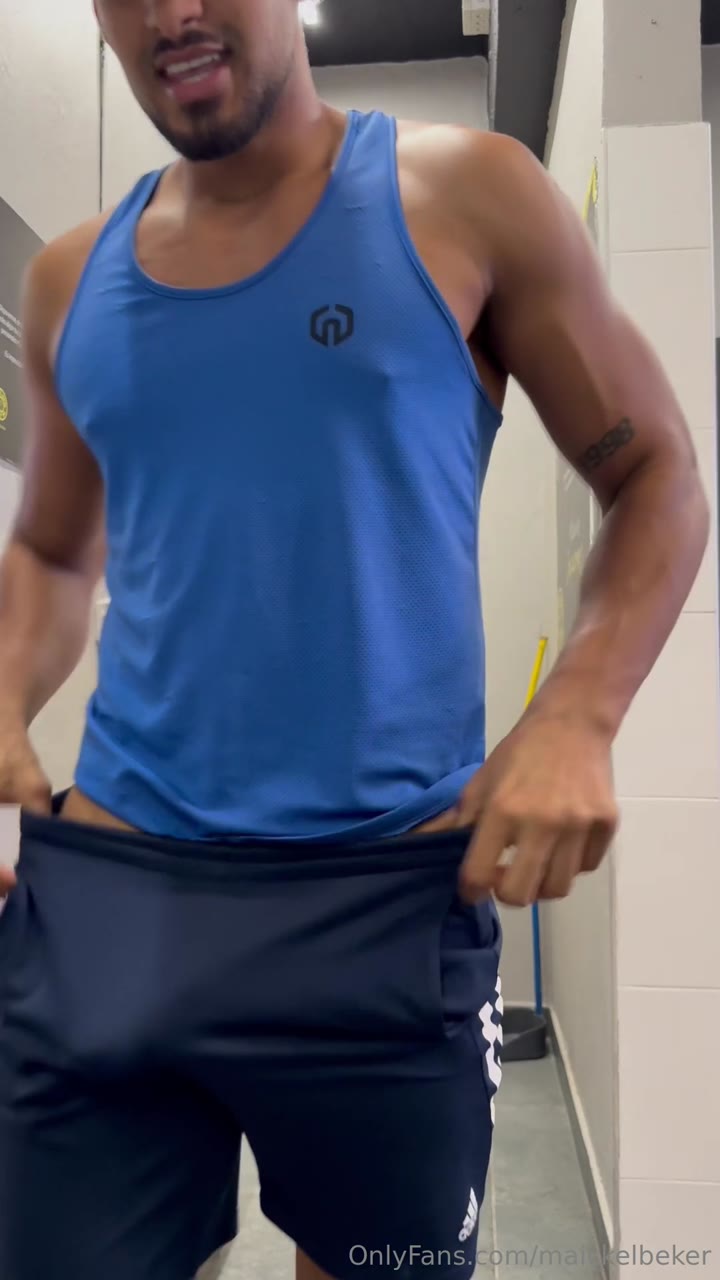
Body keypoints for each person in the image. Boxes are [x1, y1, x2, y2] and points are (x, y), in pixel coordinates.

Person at [0, 1, 709, 1278]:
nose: (170, 12)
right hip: (116, 892)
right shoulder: (68, 281)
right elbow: (54, 551)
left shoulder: (469, 198)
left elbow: (655, 471)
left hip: (383, 904)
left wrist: (578, 711)